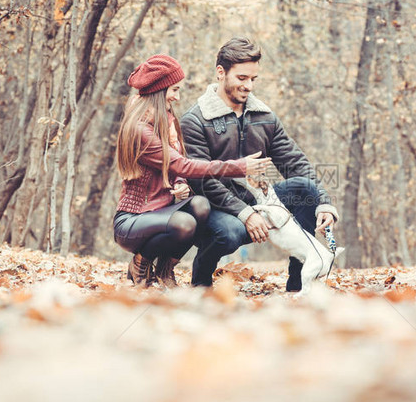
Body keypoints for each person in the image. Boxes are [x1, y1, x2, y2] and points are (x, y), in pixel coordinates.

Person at [180, 38, 339, 291]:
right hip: (215, 208)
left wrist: (324, 203)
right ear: (221, 73)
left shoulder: (264, 117)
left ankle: (299, 284)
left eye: (253, 79)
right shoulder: (195, 120)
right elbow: (200, 180)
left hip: (259, 202)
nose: (249, 86)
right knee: (229, 233)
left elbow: (295, 162)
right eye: (242, 78)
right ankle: (201, 281)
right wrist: (246, 214)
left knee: (305, 188)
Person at [113, 54, 271, 287]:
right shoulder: (139, 130)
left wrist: (180, 183)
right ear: (159, 90)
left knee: (200, 205)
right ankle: (140, 261)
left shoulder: (167, 122)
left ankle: (166, 268)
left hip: (161, 211)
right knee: (185, 224)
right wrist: (237, 167)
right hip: (134, 219)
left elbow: (177, 166)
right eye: (173, 90)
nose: (177, 97)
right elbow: (181, 164)